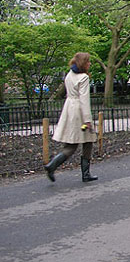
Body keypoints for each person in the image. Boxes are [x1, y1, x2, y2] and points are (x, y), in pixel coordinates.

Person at [44, 52, 98, 182]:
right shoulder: (83, 77)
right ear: (83, 63)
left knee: (72, 143)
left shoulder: (69, 75)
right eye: (88, 62)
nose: (90, 64)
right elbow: (84, 99)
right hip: (80, 113)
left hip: (69, 110)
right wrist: (87, 120)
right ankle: (85, 174)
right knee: (87, 140)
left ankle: (53, 165)